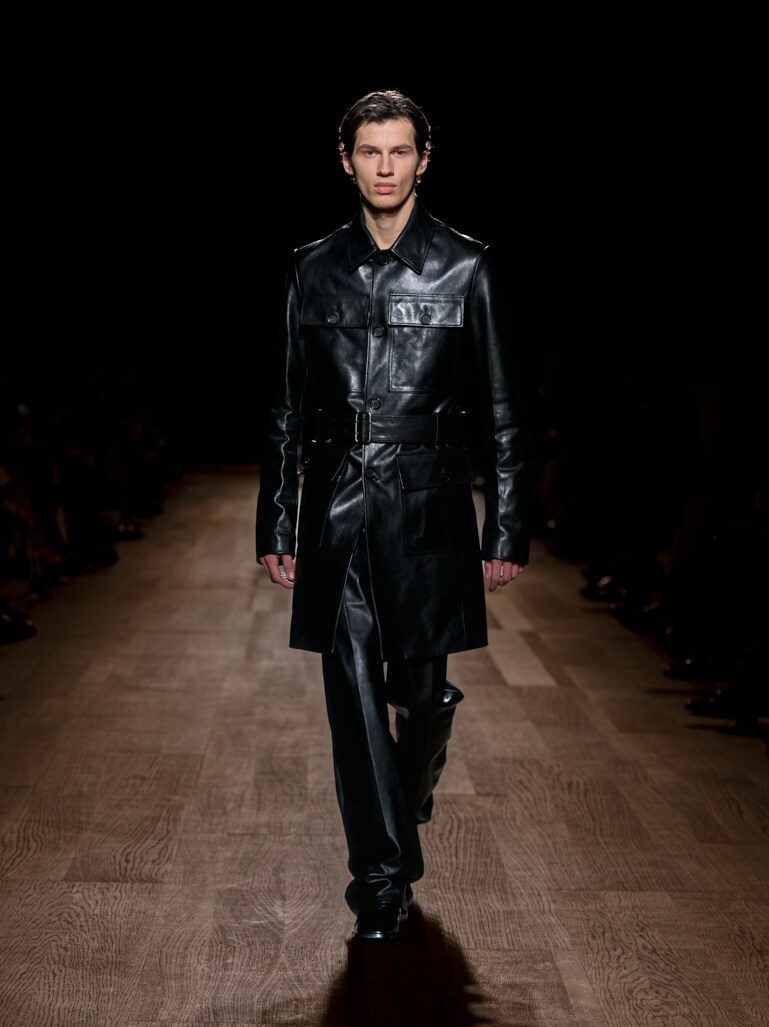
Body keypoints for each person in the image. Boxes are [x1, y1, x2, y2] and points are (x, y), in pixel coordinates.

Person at [255, 89, 530, 942]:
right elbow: (285, 408)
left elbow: (503, 407)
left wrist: (506, 526)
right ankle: (379, 881)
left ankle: (408, 787)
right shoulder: (311, 267)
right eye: (369, 151)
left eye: (399, 150)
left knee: (416, 690)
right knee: (351, 697)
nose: (384, 166)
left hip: (428, 511)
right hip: (337, 508)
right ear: (346, 161)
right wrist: (277, 522)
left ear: (423, 159)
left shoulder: (465, 266)